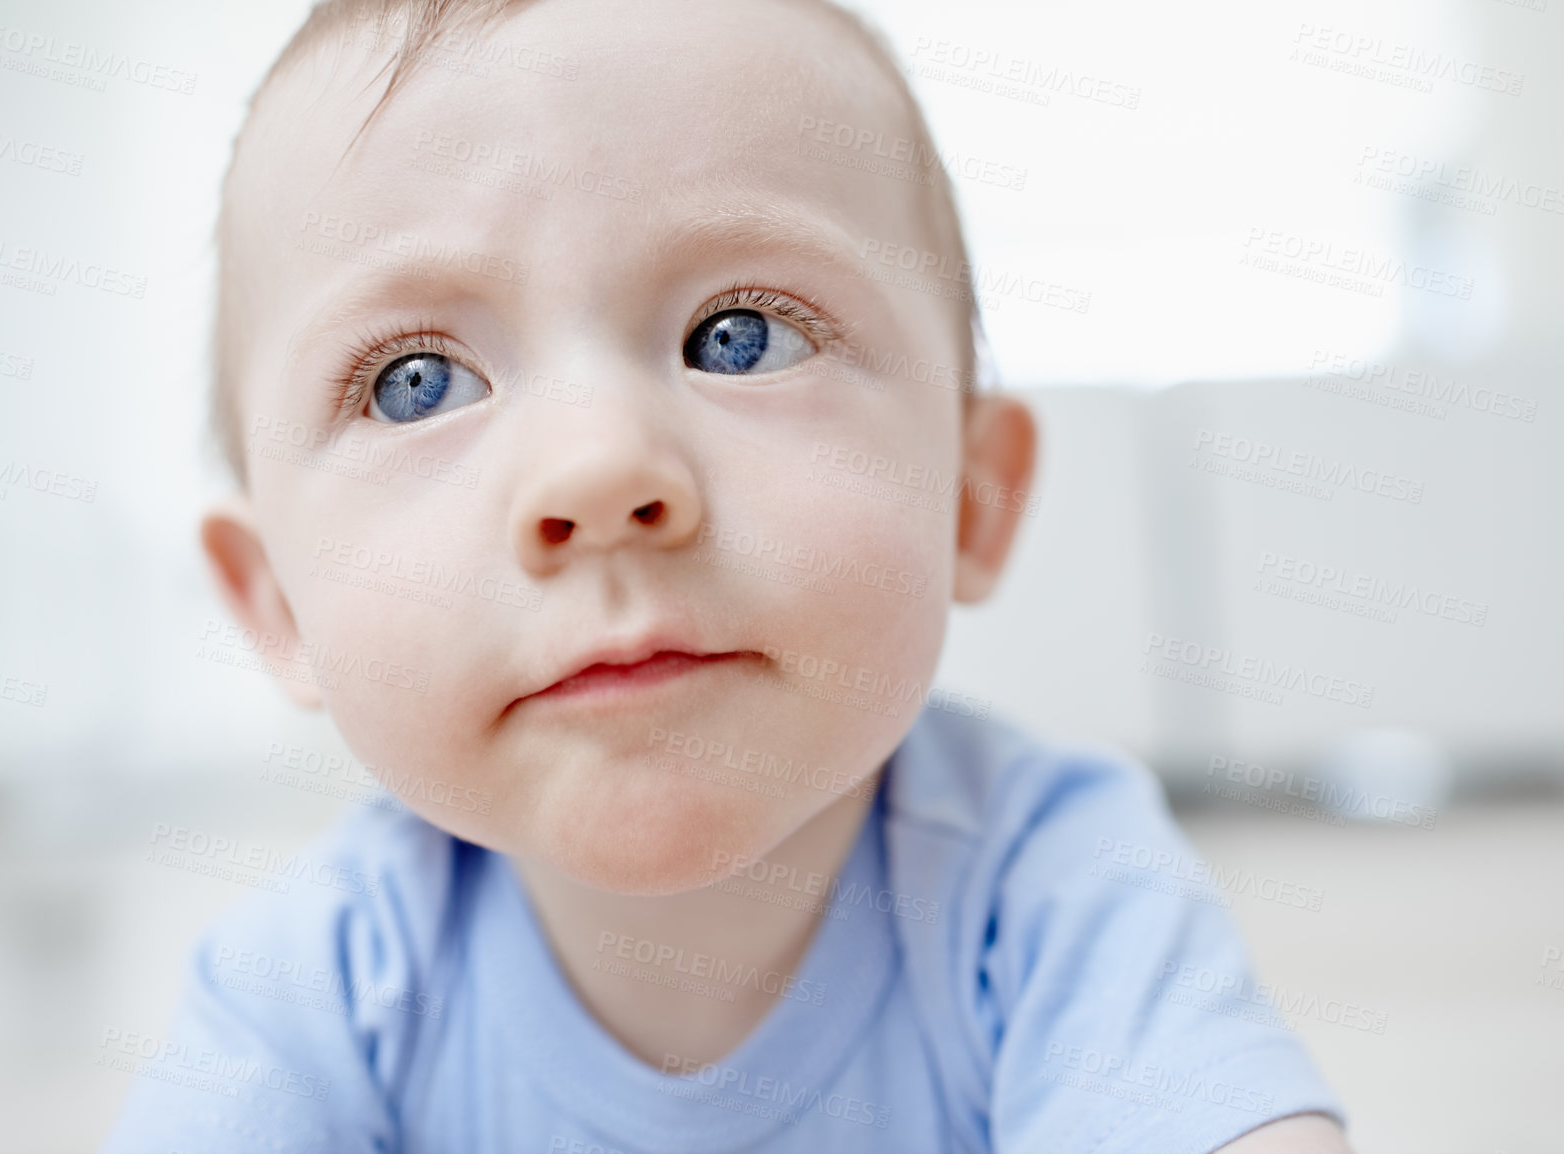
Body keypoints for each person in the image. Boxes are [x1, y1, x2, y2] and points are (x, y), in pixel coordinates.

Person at [103, 0, 1349, 1149]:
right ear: (274, 601)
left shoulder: (1049, 886)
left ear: (970, 497)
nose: (596, 472)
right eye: (413, 382)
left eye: (737, 339)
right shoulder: (319, 980)